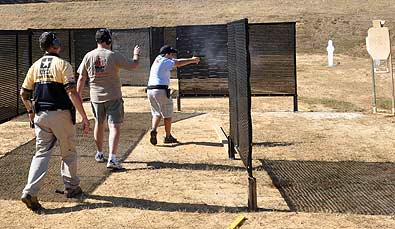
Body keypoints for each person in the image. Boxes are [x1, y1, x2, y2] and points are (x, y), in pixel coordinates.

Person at [20, 31, 90, 212]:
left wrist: (30, 112)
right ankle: (72, 187)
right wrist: (84, 116)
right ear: (55, 45)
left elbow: (24, 93)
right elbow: (72, 92)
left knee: (41, 154)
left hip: (40, 116)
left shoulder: (35, 66)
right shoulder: (63, 64)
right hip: (60, 115)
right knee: (68, 152)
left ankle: (30, 191)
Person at [77, 28, 140, 170]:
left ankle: (99, 153)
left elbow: (82, 77)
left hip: (95, 97)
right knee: (114, 126)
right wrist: (136, 54)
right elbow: (133, 65)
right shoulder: (113, 55)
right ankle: (112, 157)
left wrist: (78, 95)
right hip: (113, 96)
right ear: (108, 40)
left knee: (99, 123)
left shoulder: (88, 56)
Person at [147, 45, 200, 145]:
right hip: (160, 90)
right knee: (167, 114)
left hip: (150, 90)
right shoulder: (165, 61)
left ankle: (154, 130)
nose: (173, 56)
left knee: (156, 113)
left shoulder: (158, 59)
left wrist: (192, 59)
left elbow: (177, 60)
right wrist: (192, 60)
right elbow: (179, 63)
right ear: (167, 54)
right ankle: (168, 136)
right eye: (171, 54)